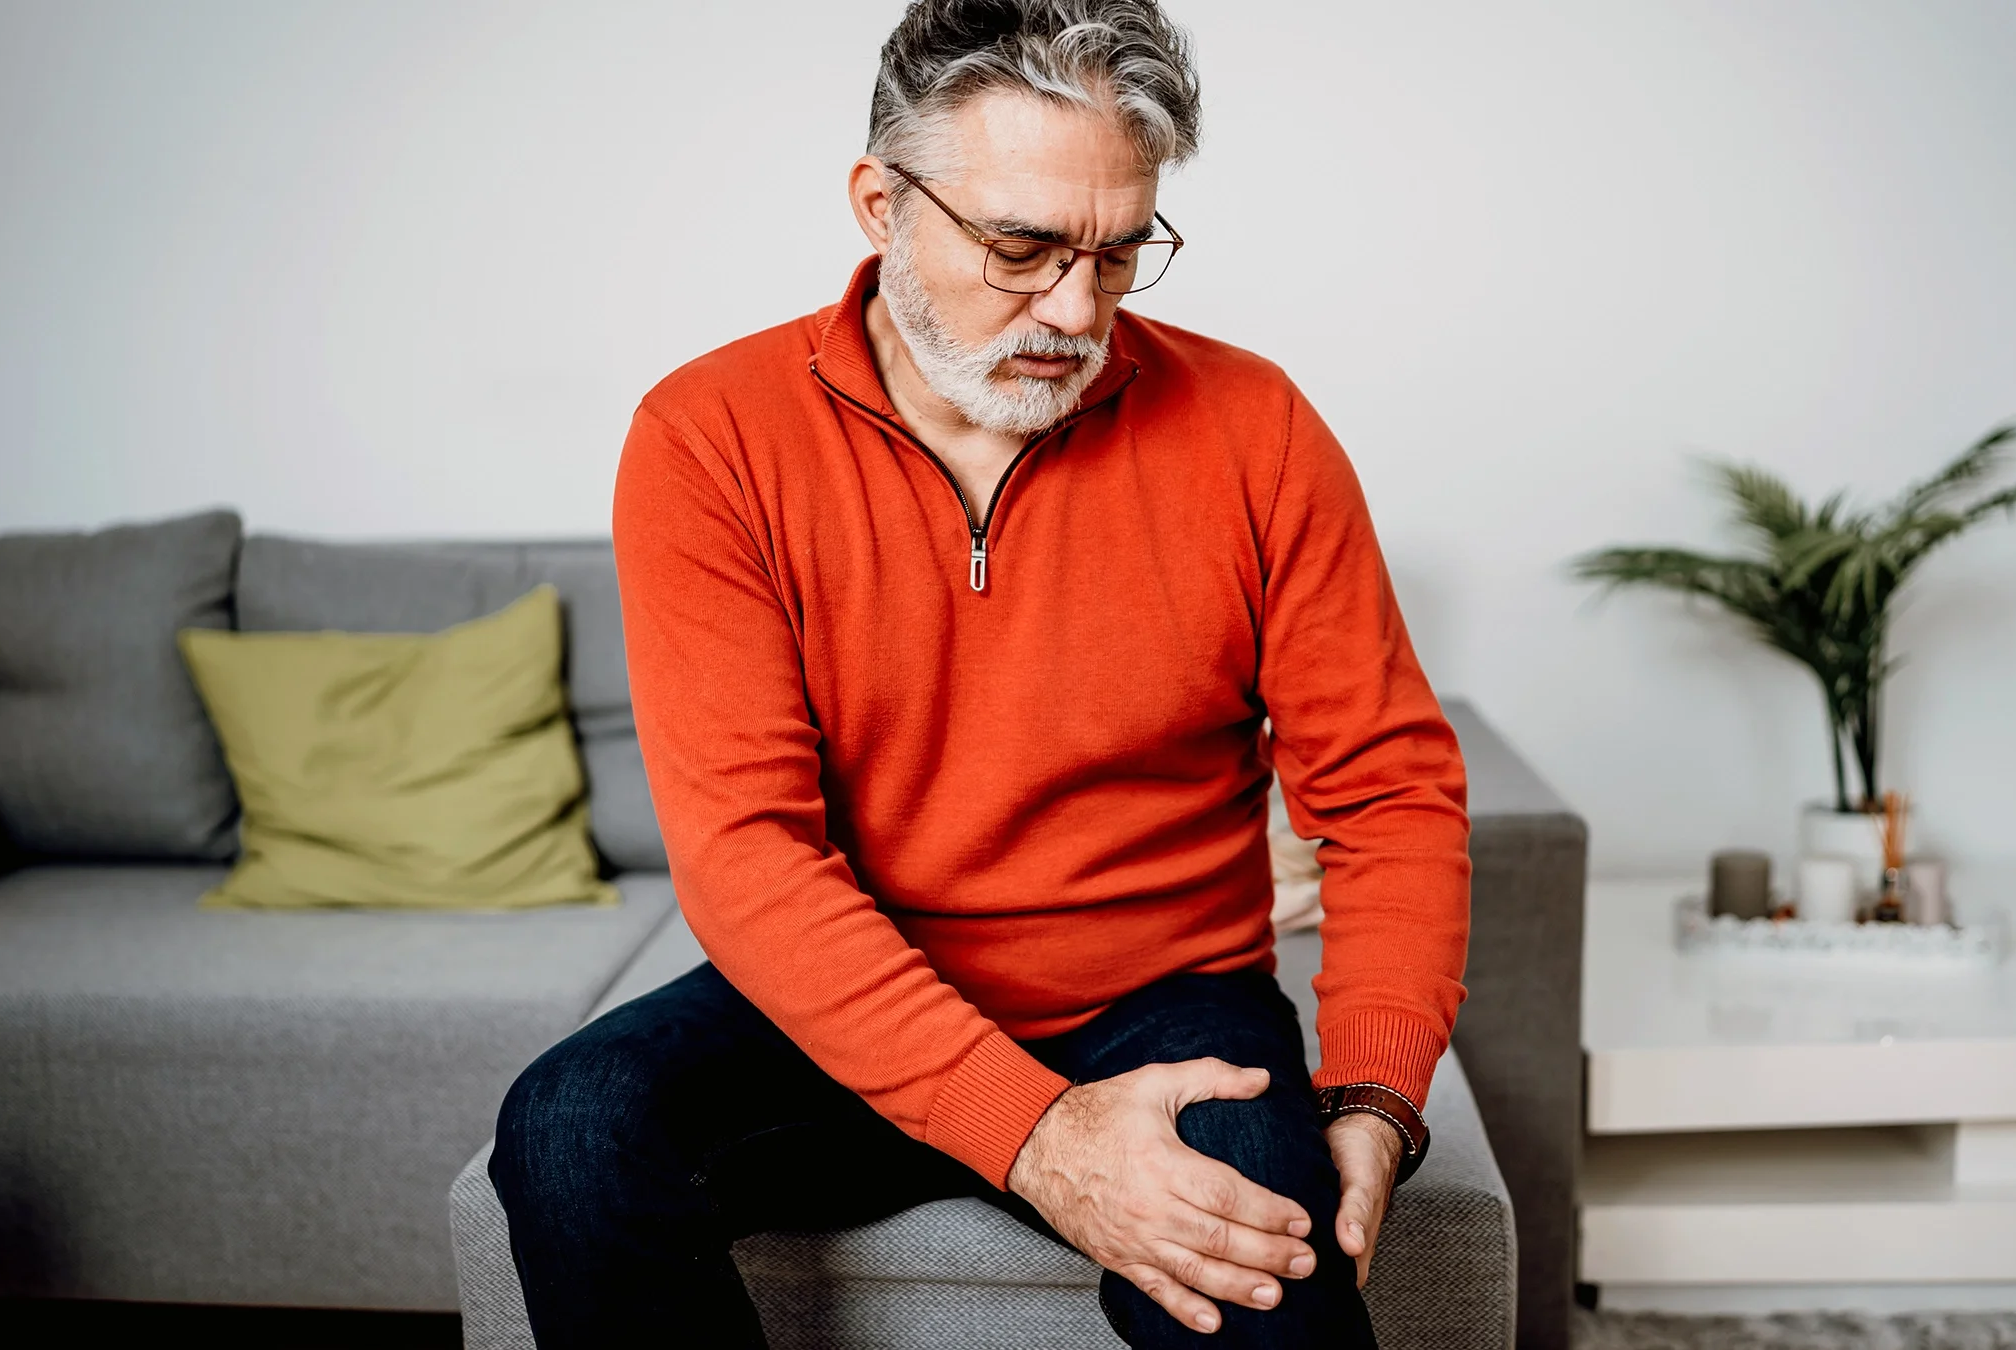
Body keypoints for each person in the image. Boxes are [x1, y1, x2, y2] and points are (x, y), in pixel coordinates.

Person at [489, 2, 1469, 1345]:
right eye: (1022, 246)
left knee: (1275, 1279)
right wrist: (1037, 1137)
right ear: (881, 202)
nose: (1075, 310)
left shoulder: (1258, 431)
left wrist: (1374, 1097)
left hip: (1163, 997)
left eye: (1120, 254)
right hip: (840, 999)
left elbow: (1393, 793)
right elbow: (748, 859)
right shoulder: (708, 437)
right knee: (568, 1126)